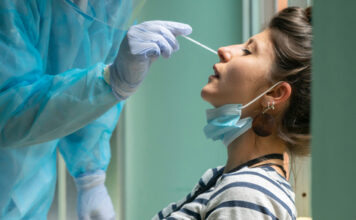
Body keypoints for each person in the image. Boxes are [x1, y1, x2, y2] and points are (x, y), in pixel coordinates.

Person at [0, 0, 192, 219]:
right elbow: (8, 110)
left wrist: (91, 177)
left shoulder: (111, 6)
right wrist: (110, 81)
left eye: (242, 51)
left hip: (32, 188)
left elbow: (84, 79)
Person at [153, 6, 311, 220]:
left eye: (248, 51)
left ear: (274, 94)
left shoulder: (247, 194)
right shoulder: (221, 179)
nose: (223, 50)